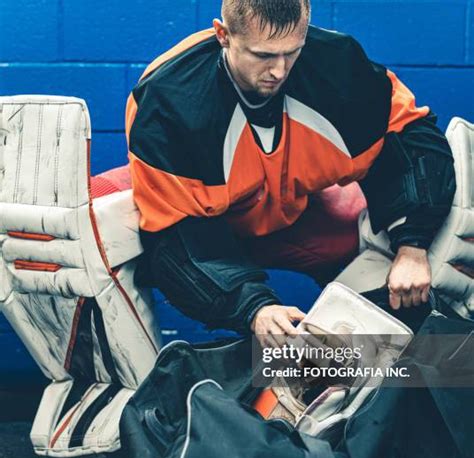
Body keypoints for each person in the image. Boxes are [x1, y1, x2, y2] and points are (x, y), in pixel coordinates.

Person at [125, 0, 455, 347]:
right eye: (263, 55)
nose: (279, 71)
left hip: (291, 210)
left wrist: (413, 244)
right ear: (222, 35)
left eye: (291, 52)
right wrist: (254, 308)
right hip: (200, 220)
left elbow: (409, 138)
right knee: (102, 223)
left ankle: (369, 381)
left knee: (383, 253)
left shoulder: (337, 64)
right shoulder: (167, 101)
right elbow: (172, 231)